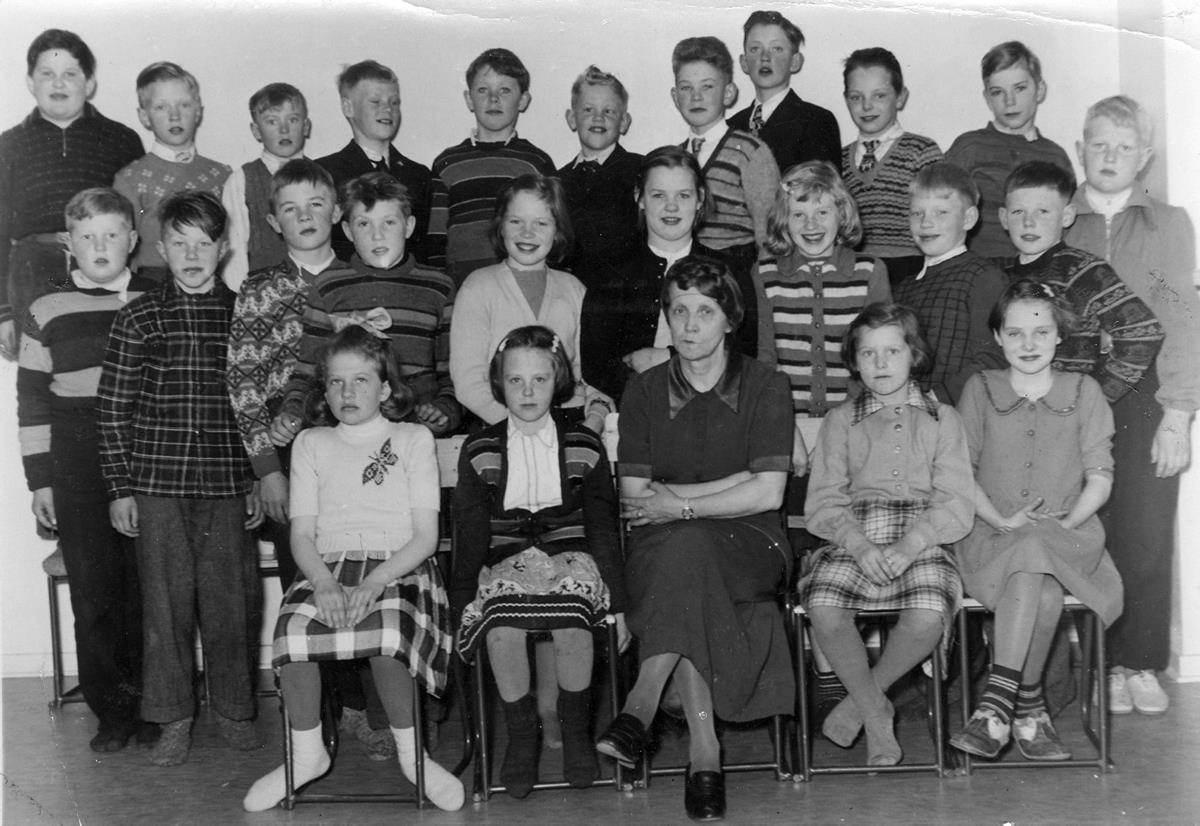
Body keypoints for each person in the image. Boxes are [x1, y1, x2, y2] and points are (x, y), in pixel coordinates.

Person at [595, 256, 794, 821]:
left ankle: (641, 705)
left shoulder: (767, 385)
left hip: (752, 541)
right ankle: (705, 755)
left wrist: (682, 502)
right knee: (687, 557)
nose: (689, 325)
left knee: (687, 552)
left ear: (730, 319)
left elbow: (768, 494)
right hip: (662, 541)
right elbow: (635, 494)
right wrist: (736, 481)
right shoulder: (644, 390)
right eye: (678, 311)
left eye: (705, 312)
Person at [242, 326, 463, 813]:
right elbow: (302, 535)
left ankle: (414, 758)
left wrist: (376, 581)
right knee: (292, 634)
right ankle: (306, 755)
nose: (347, 392)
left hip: (400, 564)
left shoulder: (413, 438)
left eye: (361, 380)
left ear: (385, 388)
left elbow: (425, 537)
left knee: (386, 631)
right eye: (336, 382)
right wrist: (322, 582)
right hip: (329, 566)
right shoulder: (311, 443)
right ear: (323, 390)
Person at [98, 191, 264, 767]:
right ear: (161, 248)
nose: (192, 255)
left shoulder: (244, 316)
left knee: (231, 604)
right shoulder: (137, 317)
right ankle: (172, 716)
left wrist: (257, 477)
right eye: (180, 243)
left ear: (224, 248)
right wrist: (120, 487)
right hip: (158, 484)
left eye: (204, 243)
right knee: (164, 609)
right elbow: (113, 410)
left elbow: (257, 408)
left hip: (226, 482)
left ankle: (235, 709)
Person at [1064, 96, 1200, 716]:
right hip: (1074, 392)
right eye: (1099, 144)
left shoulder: (1168, 223)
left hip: (1145, 393)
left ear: (1144, 157)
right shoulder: (1063, 220)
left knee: (1144, 530)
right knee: (1088, 528)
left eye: (1124, 147)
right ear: (1080, 149)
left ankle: (1139, 662)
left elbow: (1181, 317)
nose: (1110, 156)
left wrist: (1178, 413)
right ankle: (1100, 663)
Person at [450, 325, 625, 797]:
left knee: (573, 621)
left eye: (540, 380)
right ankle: (522, 736)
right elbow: (470, 533)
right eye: (516, 380)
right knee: (501, 625)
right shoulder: (481, 449)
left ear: (558, 380)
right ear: (499, 383)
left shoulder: (584, 445)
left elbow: (603, 527)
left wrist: (619, 601)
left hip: (572, 557)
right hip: (507, 560)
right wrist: (462, 600)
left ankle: (575, 732)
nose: (528, 392)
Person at [950, 280, 1123, 760]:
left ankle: (994, 706)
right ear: (998, 337)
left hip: (1068, 534)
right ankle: (1028, 707)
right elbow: (960, 474)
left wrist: (1067, 524)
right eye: (1015, 333)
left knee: (1035, 549)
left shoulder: (1084, 391)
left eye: (1041, 332)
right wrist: (1001, 519)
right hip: (991, 532)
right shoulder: (981, 388)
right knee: (1041, 586)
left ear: (1059, 336)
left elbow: (1100, 476)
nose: (1029, 344)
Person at [800, 303, 974, 767]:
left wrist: (911, 544)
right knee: (823, 607)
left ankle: (863, 701)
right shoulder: (841, 421)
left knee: (928, 612)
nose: (880, 363)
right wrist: (858, 545)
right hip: (854, 534)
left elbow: (956, 502)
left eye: (892, 351)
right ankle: (877, 712)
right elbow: (823, 502)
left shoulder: (944, 419)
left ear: (914, 355)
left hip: (922, 534)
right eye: (868, 353)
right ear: (854, 362)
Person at [17, 188, 156, 752]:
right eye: (87, 236)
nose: (101, 246)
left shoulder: (155, 297)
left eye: (112, 234)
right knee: (94, 591)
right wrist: (41, 481)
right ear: (69, 244)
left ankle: (156, 705)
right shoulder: (44, 309)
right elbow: (32, 403)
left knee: (149, 588)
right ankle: (113, 712)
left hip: (147, 452)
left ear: (132, 240)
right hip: (76, 456)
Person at [227, 158, 349, 588]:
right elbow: (243, 385)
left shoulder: (357, 282)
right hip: (286, 445)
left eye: (316, 204)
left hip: (352, 437)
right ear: (274, 222)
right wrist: (267, 471)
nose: (305, 217)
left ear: (336, 211)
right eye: (290, 209)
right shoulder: (258, 289)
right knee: (301, 577)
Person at [275, 171, 461, 440]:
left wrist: (444, 410)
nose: (377, 235)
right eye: (364, 224)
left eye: (389, 222)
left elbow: (451, 373)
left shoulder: (439, 287)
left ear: (409, 226)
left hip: (415, 434)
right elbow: (308, 371)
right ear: (348, 231)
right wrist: (292, 412)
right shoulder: (328, 286)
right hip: (346, 434)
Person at [0, 28, 143, 358]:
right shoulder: (9, 146)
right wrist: (3, 309)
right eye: (47, 74)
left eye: (70, 74)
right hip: (35, 273)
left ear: (89, 83)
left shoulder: (121, 140)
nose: (58, 83)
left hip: (103, 270)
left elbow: (136, 225)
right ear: (30, 82)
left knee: (102, 367)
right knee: (42, 372)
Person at [580, 145, 758, 404]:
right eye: (659, 195)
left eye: (683, 195)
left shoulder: (729, 271)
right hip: (633, 407)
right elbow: (595, 364)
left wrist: (669, 357)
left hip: (712, 407)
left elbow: (745, 353)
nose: (671, 207)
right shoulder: (609, 270)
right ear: (640, 198)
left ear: (700, 198)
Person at [450, 173, 608, 431]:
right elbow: (468, 383)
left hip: (568, 425)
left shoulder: (574, 289)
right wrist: (521, 430)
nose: (527, 232)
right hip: (501, 427)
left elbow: (587, 373)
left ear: (557, 230)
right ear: (501, 226)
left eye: (541, 223)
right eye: (516, 221)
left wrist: (592, 418)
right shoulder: (478, 287)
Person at [1000, 161, 1162, 404]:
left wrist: (1094, 400)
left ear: (1067, 216)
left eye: (1043, 211)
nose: (1029, 222)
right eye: (1018, 212)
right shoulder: (997, 275)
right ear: (1004, 218)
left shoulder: (1084, 270)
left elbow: (1145, 332)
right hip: (1012, 411)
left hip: (1067, 414)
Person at [754, 160, 891, 417]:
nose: (811, 225)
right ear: (784, 219)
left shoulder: (870, 271)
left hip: (855, 417)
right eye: (798, 215)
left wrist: (846, 417)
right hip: (786, 419)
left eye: (822, 213)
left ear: (842, 214)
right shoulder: (765, 274)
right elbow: (765, 357)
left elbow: (876, 356)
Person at [428, 48, 557, 286]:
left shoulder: (536, 162)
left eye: (504, 90)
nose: (493, 99)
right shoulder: (446, 164)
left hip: (521, 282)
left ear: (523, 100)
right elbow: (436, 238)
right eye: (483, 90)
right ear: (469, 99)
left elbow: (554, 231)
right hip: (461, 284)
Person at [892, 162, 1008, 403]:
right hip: (907, 412)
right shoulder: (903, 288)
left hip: (958, 412)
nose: (926, 223)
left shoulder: (983, 277)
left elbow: (992, 358)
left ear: (968, 219)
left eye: (941, 212)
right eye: (917, 213)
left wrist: (934, 399)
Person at [946, 41, 1073, 261]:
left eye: (1020, 88)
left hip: (1037, 273)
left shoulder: (1056, 157)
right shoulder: (969, 147)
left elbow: (1066, 229)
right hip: (977, 270)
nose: (1009, 101)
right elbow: (941, 213)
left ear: (1040, 90)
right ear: (987, 98)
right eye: (998, 92)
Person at [670, 36, 780, 274]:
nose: (696, 97)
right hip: (685, 276)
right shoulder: (673, 159)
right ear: (675, 97)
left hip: (734, 274)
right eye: (686, 88)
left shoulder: (750, 152)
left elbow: (768, 233)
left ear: (728, 93)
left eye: (707, 86)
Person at [113, 62, 230, 282]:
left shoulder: (221, 175)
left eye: (184, 105)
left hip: (209, 284)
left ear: (198, 111)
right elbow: (120, 250)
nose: (174, 115)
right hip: (151, 284)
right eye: (161, 107)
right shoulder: (130, 179)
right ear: (144, 116)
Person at [316, 60, 433, 265]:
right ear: (348, 107)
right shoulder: (324, 173)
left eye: (394, 102)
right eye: (375, 102)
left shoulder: (419, 174)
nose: (387, 109)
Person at [839, 47, 942, 258]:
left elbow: (941, 216)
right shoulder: (838, 159)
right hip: (854, 267)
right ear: (846, 99)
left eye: (879, 96)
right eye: (856, 97)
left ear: (900, 97)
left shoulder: (921, 152)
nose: (867, 106)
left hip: (910, 264)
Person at [557, 66, 643, 290]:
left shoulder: (641, 171)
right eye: (588, 109)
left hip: (627, 294)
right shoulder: (557, 181)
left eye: (609, 111)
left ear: (624, 122)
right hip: (572, 293)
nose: (598, 118)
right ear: (571, 118)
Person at [220, 82, 311, 292]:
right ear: (256, 131)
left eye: (293, 120)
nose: (284, 129)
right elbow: (234, 248)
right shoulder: (242, 180)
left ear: (306, 126)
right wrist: (242, 296)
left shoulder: (321, 176)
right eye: (272, 122)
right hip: (262, 294)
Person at [728, 10, 841, 171]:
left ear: (795, 62)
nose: (765, 57)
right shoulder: (730, 126)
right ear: (744, 62)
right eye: (755, 49)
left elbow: (821, 183)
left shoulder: (816, 122)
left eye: (776, 49)